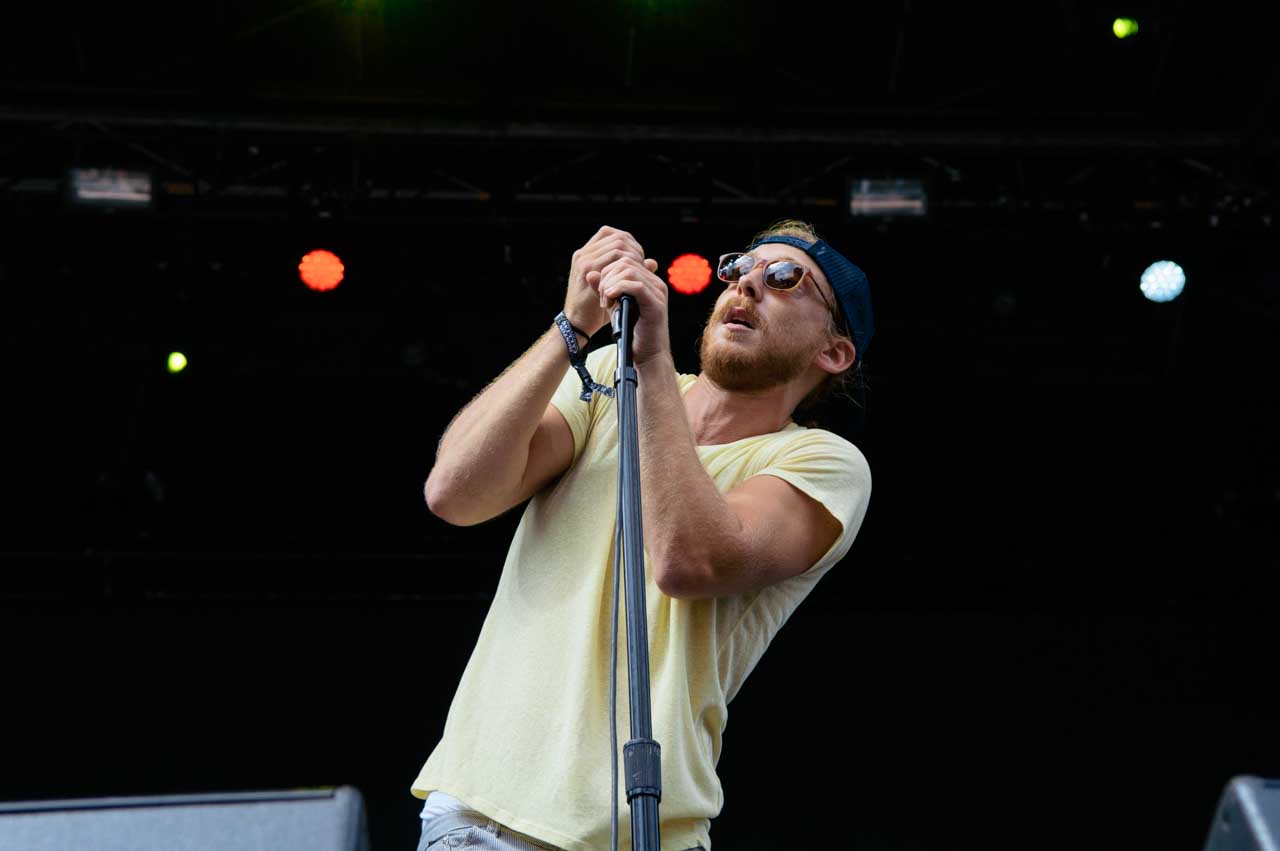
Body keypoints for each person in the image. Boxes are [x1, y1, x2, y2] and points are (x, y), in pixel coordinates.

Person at [412, 220, 874, 851]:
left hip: (648, 833)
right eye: (740, 269)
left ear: (834, 352)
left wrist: (652, 362)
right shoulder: (610, 380)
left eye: (786, 278)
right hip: (488, 813)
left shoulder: (821, 462)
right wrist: (572, 327)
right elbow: (456, 494)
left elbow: (687, 560)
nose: (747, 286)